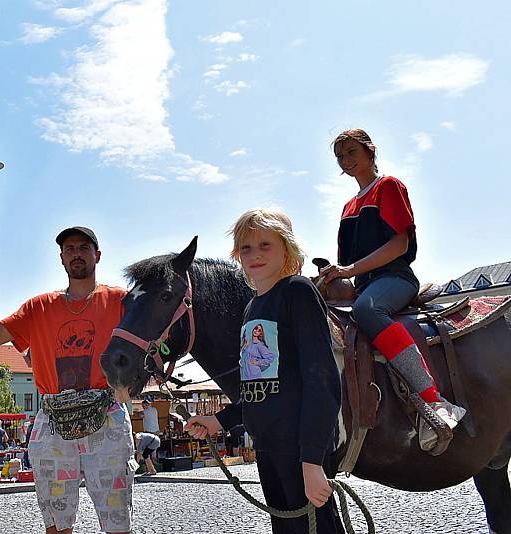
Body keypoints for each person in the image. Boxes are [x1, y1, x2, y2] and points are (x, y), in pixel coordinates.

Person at [0, 226, 134, 534]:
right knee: (55, 522)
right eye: (69, 249)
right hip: (53, 422)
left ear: (97, 255)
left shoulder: (121, 301)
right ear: (62, 259)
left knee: (117, 519)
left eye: (83, 247)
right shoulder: (38, 307)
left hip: (106, 417)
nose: (76, 253)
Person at [186, 208, 343, 534]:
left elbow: (322, 380)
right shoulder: (252, 306)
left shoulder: (297, 292)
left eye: (265, 245)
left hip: (300, 448)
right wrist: (220, 421)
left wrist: (312, 460)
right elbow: (262, 389)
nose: (254, 254)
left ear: (286, 247)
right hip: (268, 445)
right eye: (246, 247)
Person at [320, 128, 465, 454]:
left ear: (370, 151)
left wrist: (349, 272)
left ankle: (434, 400)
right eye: (340, 156)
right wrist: (331, 279)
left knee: (368, 310)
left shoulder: (388, 187)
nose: (346, 160)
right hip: (364, 284)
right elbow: (348, 264)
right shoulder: (347, 206)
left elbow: (399, 244)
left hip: (395, 278)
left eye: (351, 152)